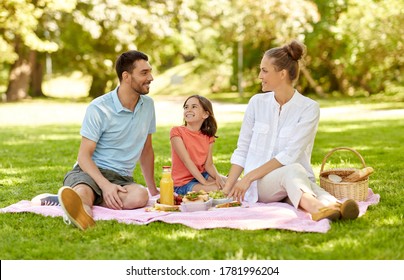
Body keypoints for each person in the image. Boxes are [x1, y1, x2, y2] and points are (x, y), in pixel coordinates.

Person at [224, 40, 359, 221]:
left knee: (302, 184)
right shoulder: (256, 103)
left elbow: (290, 154)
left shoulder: (309, 108)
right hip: (261, 185)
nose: (259, 76)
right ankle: (318, 207)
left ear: (282, 74)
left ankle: (334, 207)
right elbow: (242, 150)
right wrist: (229, 188)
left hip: (296, 179)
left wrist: (247, 177)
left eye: (264, 70)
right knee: (293, 171)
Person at [56, 50, 159, 230]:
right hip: (89, 172)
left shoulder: (148, 105)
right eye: (144, 73)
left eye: (150, 71)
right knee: (84, 192)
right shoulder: (99, 107)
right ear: (126, 76)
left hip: (121, 179)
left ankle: (77, 199)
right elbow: (84, 156)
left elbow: (146, 150)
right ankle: (83, 212)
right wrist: (105, 186)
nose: (150, 77)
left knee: (141, 196)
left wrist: (154, 191)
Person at [170, 95, 227, 195]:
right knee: (223, 190)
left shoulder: (208, 136)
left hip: (202, 174)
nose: (188, 110)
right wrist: (205, 183)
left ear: (205, 114)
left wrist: (218, 177)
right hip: (183, 183)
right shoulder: (176, 132)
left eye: (194, 107)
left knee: (233, 183)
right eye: (186, 107)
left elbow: (209, 164)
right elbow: (187, 161)